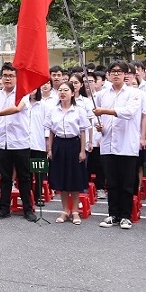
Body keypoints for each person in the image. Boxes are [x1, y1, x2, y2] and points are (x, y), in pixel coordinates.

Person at [92, 60, 143, 229]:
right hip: (108, 143)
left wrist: (104, 112)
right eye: (112, 71)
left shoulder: (134, 93)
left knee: (127, 183)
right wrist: (99, 125)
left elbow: (128, 112)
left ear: (125, 74)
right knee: (111, 182)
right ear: (108, 74)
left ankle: (125, 215)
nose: (116, 74)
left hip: (127, 145)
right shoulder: (103, 94)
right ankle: (112, 214)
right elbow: (97, 116)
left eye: (119, 71)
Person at [0, 63, 37, 222]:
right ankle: (3, 208)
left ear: (16, 78)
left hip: (20, 142)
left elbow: (17, 108)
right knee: (5, 178)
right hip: (3, 143)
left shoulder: (22, 94)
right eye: (5, 75)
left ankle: (28, 209)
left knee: (24, 178)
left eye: (11, 76)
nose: (8, 78)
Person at [44, 82, 89, 224]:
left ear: (72, 92)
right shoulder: (53, 110)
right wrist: (50, 148)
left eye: (66, 90)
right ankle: (65, 210)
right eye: (60, 90)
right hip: (59, 144)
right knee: (61, 179)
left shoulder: (79, 110)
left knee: (74, 179)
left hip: (74, 144)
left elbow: (83, 132)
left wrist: (83, 150)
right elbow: (51, 131)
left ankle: (75, 211)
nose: (62, 93)